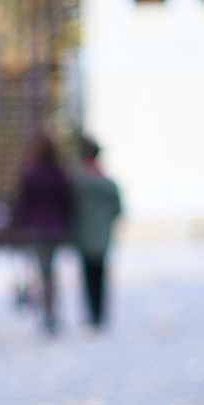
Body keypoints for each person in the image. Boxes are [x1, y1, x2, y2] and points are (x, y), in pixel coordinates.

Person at [10, 135, 75, 336]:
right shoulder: (58, 173)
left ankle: (47, 313)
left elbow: (23, 202)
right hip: (55, 228)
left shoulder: (32, 173)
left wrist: (19, 226)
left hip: (36, 227)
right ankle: (50, 312)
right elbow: (66, 201)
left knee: (42, 269)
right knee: (49, 270)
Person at [70, 136, 123, 332]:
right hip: (102, 236)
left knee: (88, 275)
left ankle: (93, 314)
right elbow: (118, 209)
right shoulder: (107, 182)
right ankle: (99, 313)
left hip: (84, 236)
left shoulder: (78, 182)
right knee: (99, 275)